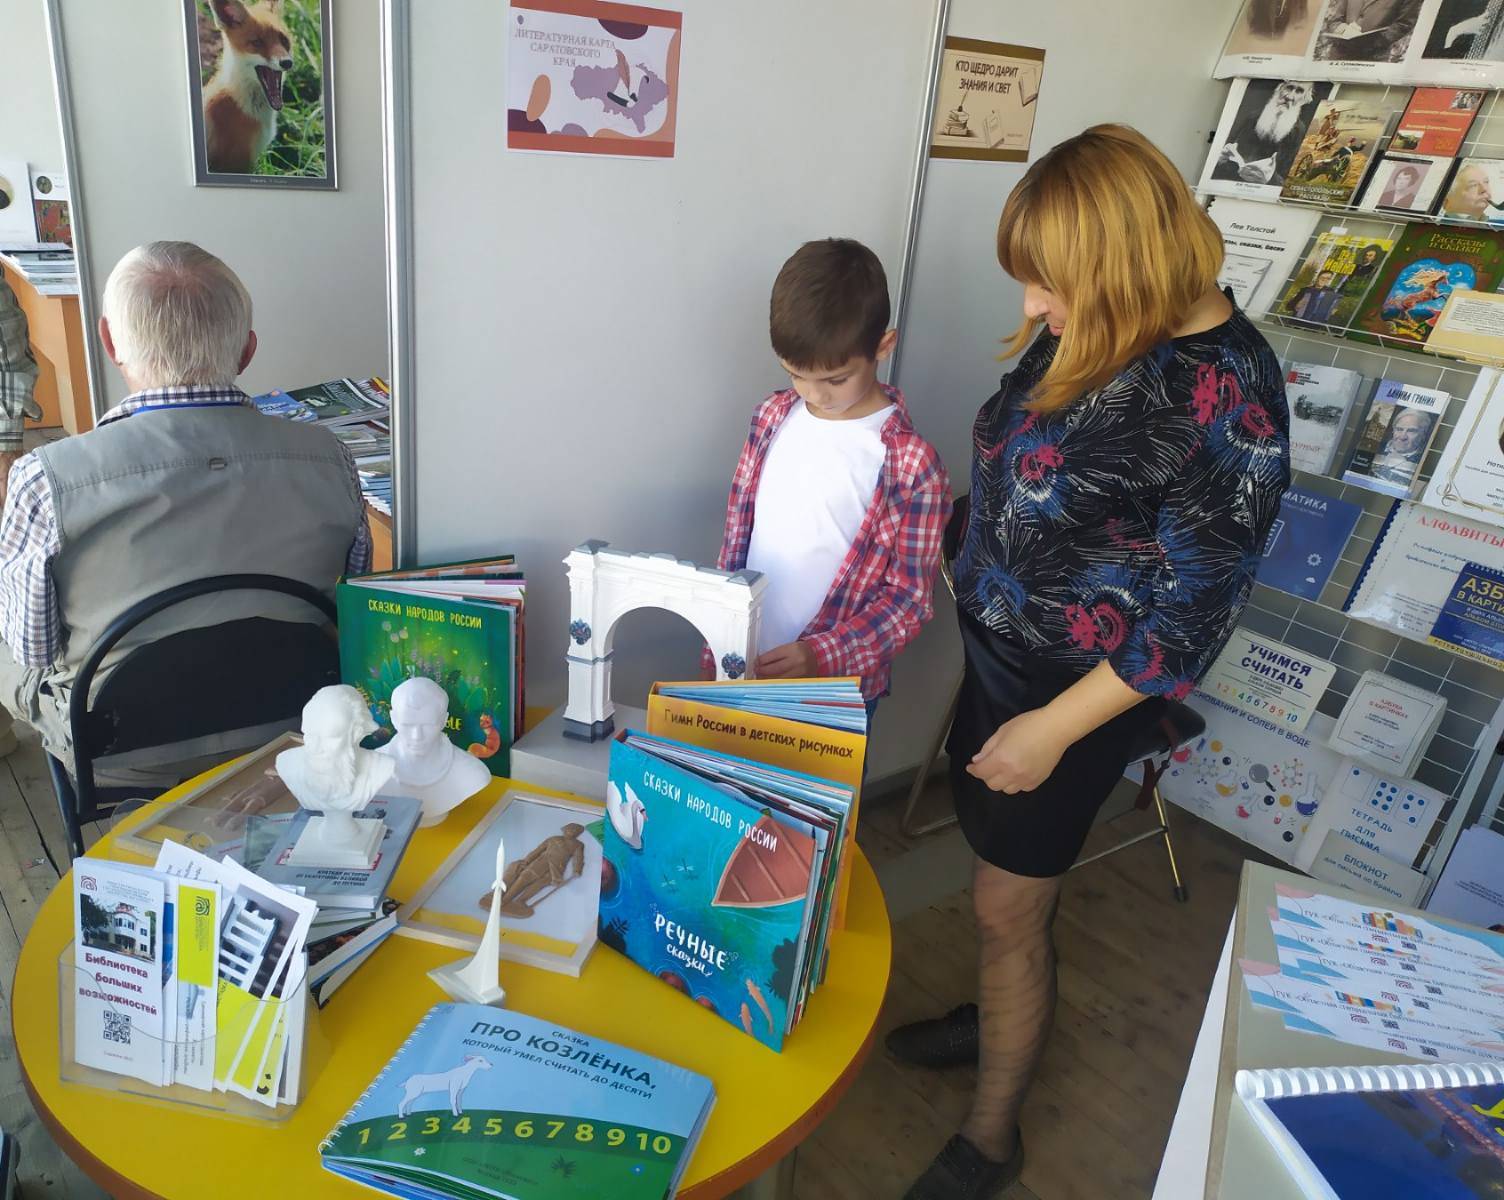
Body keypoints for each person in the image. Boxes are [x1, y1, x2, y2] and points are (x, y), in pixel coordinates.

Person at [889, 126, 1290, 1200]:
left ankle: (992, 1137)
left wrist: (1051, 731)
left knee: (1006, 904)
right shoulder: (1105, 318)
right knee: (1001, 877)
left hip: (1074, 694)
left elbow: (1187, 625)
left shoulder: (1231, 402)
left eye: (1049, 286)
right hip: (1002, 653)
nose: (1030, 308)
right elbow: (1032, 456)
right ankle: (999, 1008)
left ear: (1121, 267)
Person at [0, 241, 371, 787]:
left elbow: (34, 647)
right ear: (247, 351)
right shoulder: (332, 458)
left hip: (122, 752)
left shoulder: (46, 477)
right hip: (297, 729)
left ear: (109, 341)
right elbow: (355, 605)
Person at [703, 238, 950, 711]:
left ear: (883, 346)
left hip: (829, 693)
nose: (814, 394)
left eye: (835, 379)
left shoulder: (913, 467)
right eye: (796, 374)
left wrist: (821, 655)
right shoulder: (771, 417)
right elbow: (736, 538)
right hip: (739, 666)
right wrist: (718, 636)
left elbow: (908, 601)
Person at [1370, 408, 1435, 487]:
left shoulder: (1426, 464)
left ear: (1423, 435)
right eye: (1399, 429)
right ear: (1393, 431)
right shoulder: (1374, 447)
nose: (1402, 437)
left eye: (1411, 431)